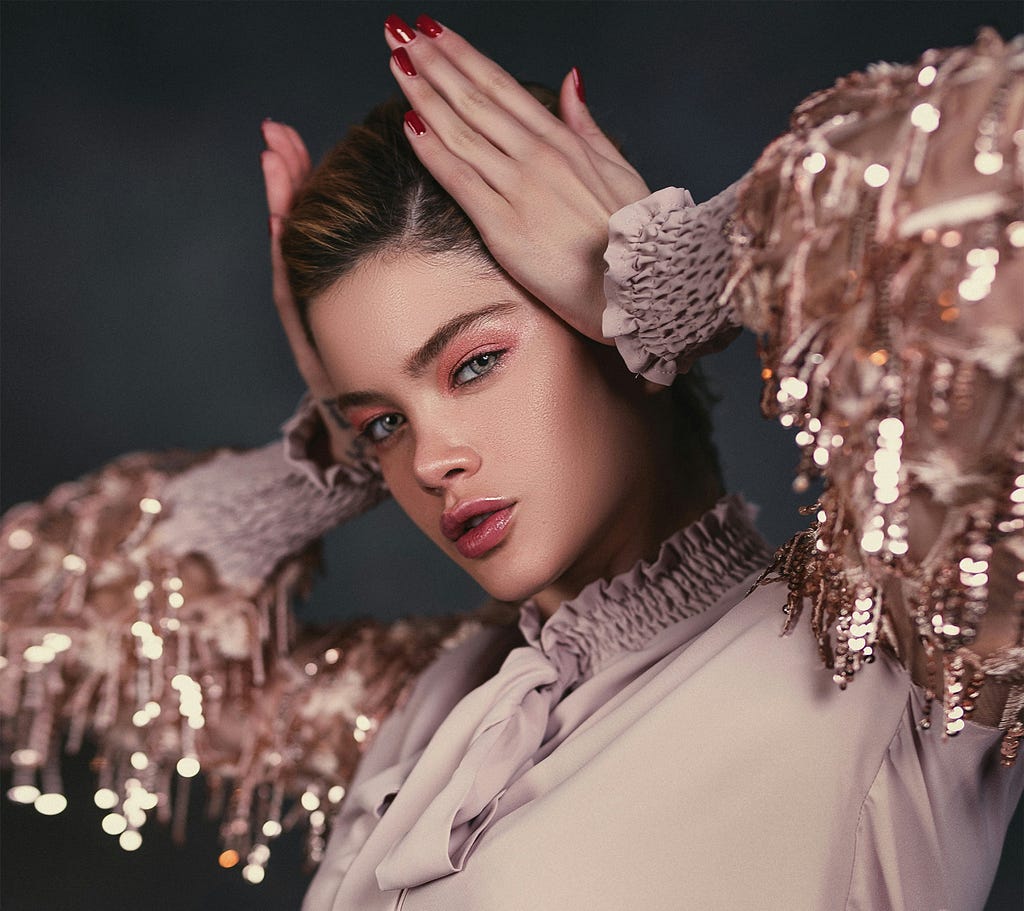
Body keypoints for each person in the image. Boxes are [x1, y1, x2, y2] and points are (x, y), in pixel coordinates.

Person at [2, 14, 1022, 910]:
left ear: (606, 322)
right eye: (386, 426)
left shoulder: (893, 637)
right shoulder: (436, 702)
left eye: (475, 362)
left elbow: (992, 164)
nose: (433, 460)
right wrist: (333, 440)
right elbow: (36, 625)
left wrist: (673, 273)